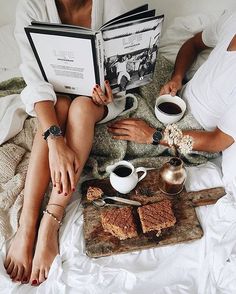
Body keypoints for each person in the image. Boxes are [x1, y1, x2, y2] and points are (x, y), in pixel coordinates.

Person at [4, 0, 128, 286]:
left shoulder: (114, 5)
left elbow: (123, 74)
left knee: (82, 108)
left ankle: (52, 220)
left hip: (94, 100)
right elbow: (35, 82)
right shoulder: (31, 7)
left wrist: (110, 90)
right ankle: (27, 223)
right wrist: (56, 141)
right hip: (51, 97)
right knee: (58, 105)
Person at [108, 11, 236, 185]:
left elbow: (218, 141)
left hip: (193, 132)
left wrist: (153, 135)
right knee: (138, 65)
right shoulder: (232, 19)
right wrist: (177, 77)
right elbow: (193, 44)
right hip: (177, 95)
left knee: (110, 135)